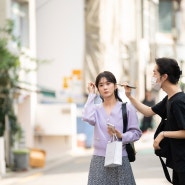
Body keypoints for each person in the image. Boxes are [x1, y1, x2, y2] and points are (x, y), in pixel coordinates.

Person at [123, 57, 185, 185]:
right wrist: (129, 96)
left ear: (164, 76)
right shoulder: (170, 98)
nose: (152, 76)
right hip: (178, 160)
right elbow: (148, 111)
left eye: (154, 73)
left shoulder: (179, 101)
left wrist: (163, 134)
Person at [82, 71, 142, 185]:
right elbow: (86, 117)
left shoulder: (127, 108)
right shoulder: (95, 109)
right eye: (101, 85)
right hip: (98, 159)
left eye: (108, 83)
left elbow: (136, 133)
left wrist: (122, 136)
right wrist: (91, 95)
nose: (105, 87)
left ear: (115, 86)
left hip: (121, 157)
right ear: (98, 89)